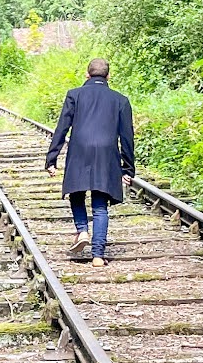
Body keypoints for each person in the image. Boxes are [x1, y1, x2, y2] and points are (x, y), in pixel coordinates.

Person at [44, 57, 136, 266]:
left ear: (87, 74)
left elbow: (62, 128)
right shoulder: (120, 100)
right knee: (100, 205)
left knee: (76, 193)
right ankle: (97, 255)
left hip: (79, 150)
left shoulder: (74, 95)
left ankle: (83, 230)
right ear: (108, 76)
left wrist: (52, 158)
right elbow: (127, 136)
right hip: (107, 153)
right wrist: (127, 168)